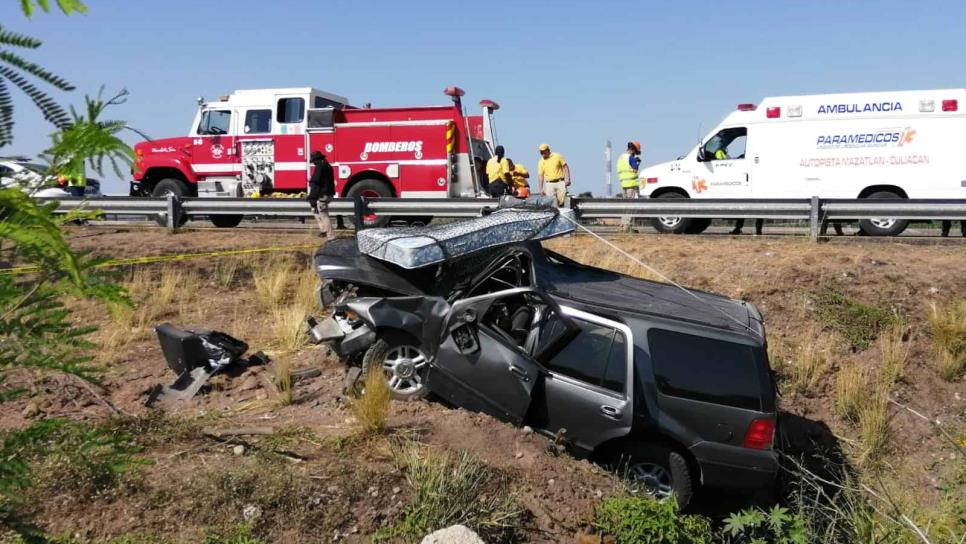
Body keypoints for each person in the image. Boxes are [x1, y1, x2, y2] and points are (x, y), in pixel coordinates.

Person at [307, 151, 335, 237]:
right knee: (316, 211)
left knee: (323, 214)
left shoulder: (320, 167)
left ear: (316, 159)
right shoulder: (327, 165)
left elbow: (316, 183)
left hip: (323, 194)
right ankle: (324, 231)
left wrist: (312, 198)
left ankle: (330, 235)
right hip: (329, 193)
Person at [617, 141, 642, 231]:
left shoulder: (621, 157)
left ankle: (622, 226)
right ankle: (627, 227)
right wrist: (638, 162)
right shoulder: (631, 158)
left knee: (625, 206)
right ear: (633, 149)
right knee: (631, 206)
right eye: (636, 151)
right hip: (632, 185)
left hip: (624, 185)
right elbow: (635, 169)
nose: (635, 153)